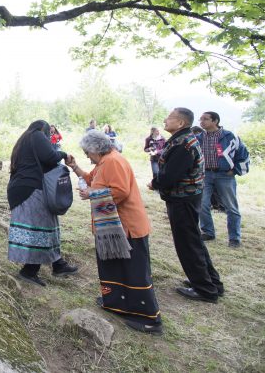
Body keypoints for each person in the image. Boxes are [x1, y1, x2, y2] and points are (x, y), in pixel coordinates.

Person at [67, 131, 162, 334]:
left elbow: (120, 191)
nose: (86, 156)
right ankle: (117, 304)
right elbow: (90, 178)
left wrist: (92, 193)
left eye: (86, 152)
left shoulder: (113, 161)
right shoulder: (103, 163)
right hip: (111, 228)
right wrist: (74, 167)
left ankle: (149, 319)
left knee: (134, 271)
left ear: (95, 148)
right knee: (115, 266)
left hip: (127, 227)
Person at [148, 108, 224, 303]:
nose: (165, 120)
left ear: (181, 123)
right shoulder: (184, 138)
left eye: (170, 117)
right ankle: (211, 282)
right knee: (194, 240)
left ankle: (205, 289)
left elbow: (170, 176)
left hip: (183, 200)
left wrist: (154, 183)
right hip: (187, 198)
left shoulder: (183, 144)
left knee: (188, 244)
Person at [8, 120, 79, 286]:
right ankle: (29, 271)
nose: (49, 137)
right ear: (44, 130)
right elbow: (50, 156)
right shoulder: (37, 135)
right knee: (40, 228)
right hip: (29, 189)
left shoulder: (24, 139)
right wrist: (64, 155)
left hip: (23, 188)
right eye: (50, 134)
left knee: (48, 224)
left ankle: (58, 264)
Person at [196, 111, 249, 247]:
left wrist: (235, 170)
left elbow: (243, 154)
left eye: (205, 119)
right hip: (205, 175)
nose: (201, 122)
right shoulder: (199, 137)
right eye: (201, 119)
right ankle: (208, 232)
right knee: (202, 204)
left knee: (231, 207)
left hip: (225, 175)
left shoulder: (229, 137)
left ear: (215, 121)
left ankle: (234, 238)